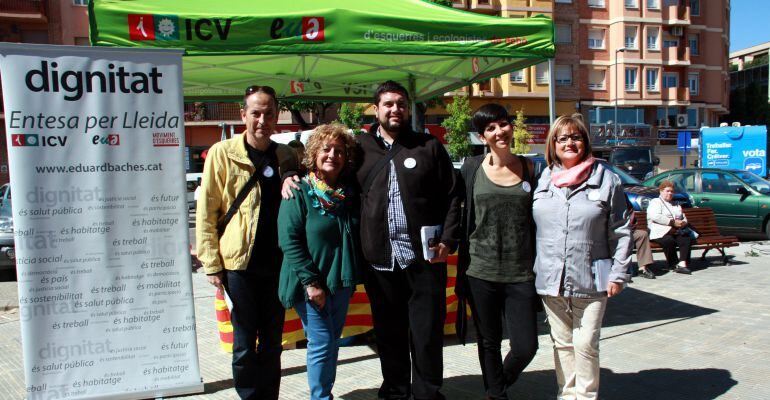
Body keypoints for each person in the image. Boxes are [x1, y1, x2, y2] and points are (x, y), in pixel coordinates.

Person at [196, 85, 298, 400]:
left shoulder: (285, 155)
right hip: (239, 265)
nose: (262, 120)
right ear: (243, 115)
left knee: (272, 342)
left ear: (276, 116)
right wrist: (211, 264)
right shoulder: (222, 153)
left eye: (269, 113)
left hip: (277, 265)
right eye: (256, 113)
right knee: (243, 343)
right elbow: (207, 211)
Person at [532, 114, 632, 400]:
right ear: (553, 144)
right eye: (562, 138)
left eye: (575, 137)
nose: (569, 143)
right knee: (562, 344)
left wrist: (619, 274)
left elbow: (622, 230)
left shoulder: (607, 180)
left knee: (586, 343)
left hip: (592, 278)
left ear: (585, 142)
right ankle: (567, 395)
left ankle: (586, 396)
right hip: (551, 278)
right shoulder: (544, 179)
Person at [457, 104, 538, 400]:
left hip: (521, 273)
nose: (499, 131)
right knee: (488, 341)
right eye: (490, 128)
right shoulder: (471, 169)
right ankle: (495, 394)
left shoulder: (530, 169)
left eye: (503, 124)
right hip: (481, 270)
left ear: (511, 127)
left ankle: (497, 385)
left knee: (526, 346)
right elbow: (452, 208)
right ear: (482, 137)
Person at [277, 124, 362, 400]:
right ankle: (321, 397)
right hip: (310, 284)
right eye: (326, 149)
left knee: (331, 342)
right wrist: (311, 283)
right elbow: (288, 240)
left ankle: (325, 393)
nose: (332, 155)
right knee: (322, 342)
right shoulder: (298, 190)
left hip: (339, 282)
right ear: (314, 153)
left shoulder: (348, 194)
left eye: (339, 151)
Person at [647, 180, 694, 274]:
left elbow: (683, 216)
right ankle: (673, 263)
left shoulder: (676, 204)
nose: (670, 193)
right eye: (667, 191)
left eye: (672, 191)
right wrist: (672, 222)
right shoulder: (655, 202)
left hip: (676, 230)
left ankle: (682, 264)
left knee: (685, 238)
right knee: (668, 240)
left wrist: (683, 223)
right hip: (659, 231)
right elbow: (655, 216)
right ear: (661, 191)